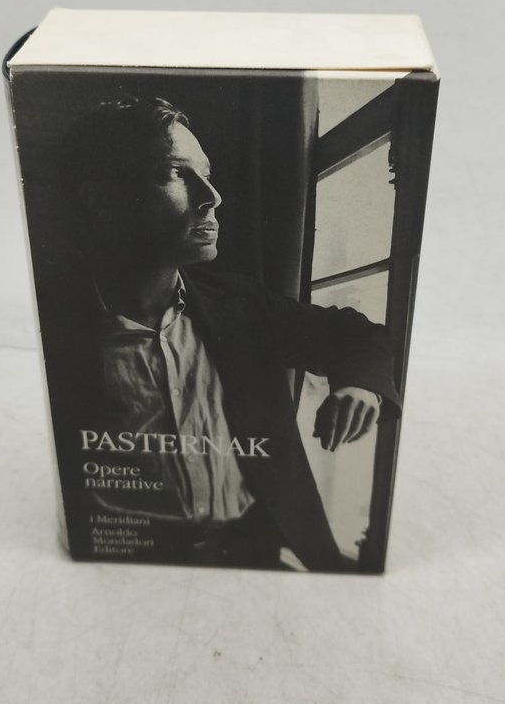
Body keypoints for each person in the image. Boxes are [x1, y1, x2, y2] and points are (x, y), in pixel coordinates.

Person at [46, 95, 400, 571]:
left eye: (207, 174)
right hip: (125, 567)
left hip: (259, 557)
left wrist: (360, 386)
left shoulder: (241, 306)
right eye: (175, 173)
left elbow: (356, 336)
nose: (212, 197)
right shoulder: (55, 330)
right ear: (102, 201)